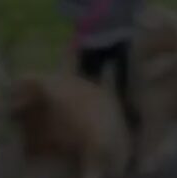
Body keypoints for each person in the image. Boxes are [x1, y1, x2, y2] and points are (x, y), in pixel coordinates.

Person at [59, 0, 144, 164]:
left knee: (127, 92)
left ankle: (133, 143)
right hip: (90, 40)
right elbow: (66, 7)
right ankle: (89, 145)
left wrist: (129, 17)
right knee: (88, 98)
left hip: (123, 35)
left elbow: (139, 6)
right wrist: (85, 17)